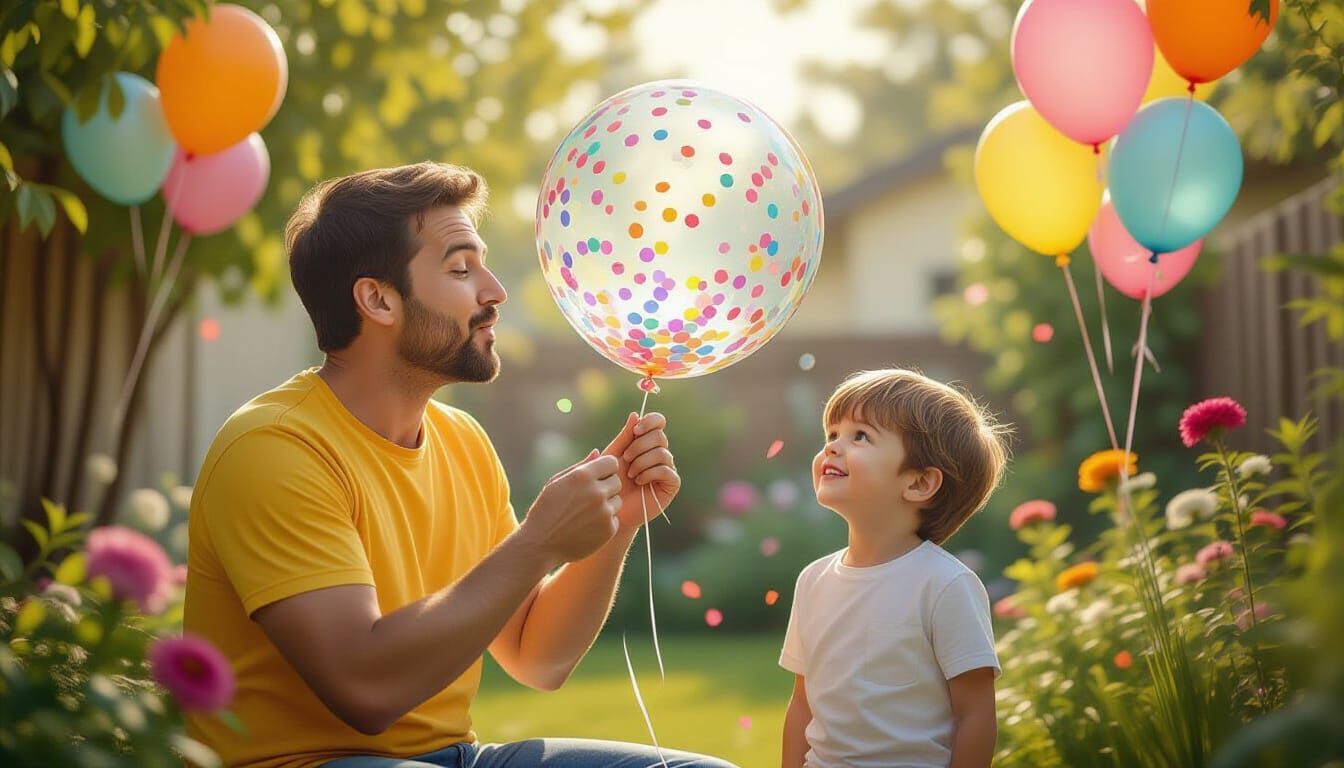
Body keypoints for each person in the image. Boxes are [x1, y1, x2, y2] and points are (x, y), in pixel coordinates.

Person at [183, 162, 736, 768]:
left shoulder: (462, 440)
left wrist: (618, 521)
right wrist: (540, 543)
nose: (494, 291)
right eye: (460, 268)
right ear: (377, 299)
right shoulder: (273, 449)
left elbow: (536, 657)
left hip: (451, 758)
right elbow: (364, 691)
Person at [779, 369, 1009, 768]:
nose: (832, 448)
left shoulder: (944, 584)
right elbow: (802, 704)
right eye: (831, 435)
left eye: (860, 436)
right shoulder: (813, 580)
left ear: (919, 483)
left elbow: (974, 715)